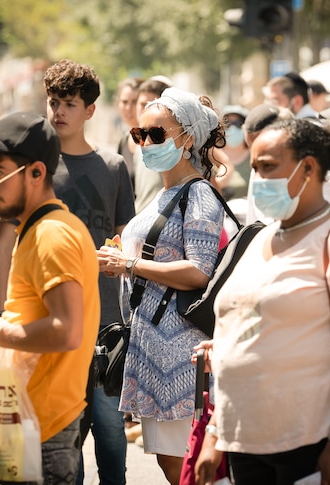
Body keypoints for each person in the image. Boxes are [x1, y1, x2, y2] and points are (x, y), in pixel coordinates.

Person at [194, 118, 330, 484]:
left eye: (269, 167)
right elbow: (237, 332)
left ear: (308, 168)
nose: (258, 179)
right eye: (255, 168)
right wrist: (215, 435)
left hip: (312, 443)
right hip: (247, 443)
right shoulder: (262, 238)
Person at [0, 59, 134, 485]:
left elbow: (124, 239)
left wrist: (118, 262)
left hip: (105, 328)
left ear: (89, 110)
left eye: (69, 104)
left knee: (111, 440)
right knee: (59, 439)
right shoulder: (34, 170)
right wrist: (1, 316)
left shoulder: (112, 167)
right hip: (46, 326)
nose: (59, 112)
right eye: (53, 102)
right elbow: (4, 244)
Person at [0, 112, 101, 485]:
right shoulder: (43, 228)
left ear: (36, 173)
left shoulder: (51, 235)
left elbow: (66, 331)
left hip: (43, 431)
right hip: (32, 424)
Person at [96, 87, 226, 485]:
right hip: (154, 348)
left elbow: (200, 270)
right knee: (171, 462)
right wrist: (125, 261)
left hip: (179, 352)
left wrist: (131, 264)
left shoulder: (199, 194)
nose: (146, 142)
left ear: (187, 138)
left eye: (157, 134)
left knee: (182, 464)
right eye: (140, 134)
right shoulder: (167, 192)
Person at [132, 77, 173, 212]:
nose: (145, 109)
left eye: (150, 105)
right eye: (142, 104)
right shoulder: (138, 143)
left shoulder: (169, 146)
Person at [216, 104, 250, 200]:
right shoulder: (212, 157)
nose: (233, 128)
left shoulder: (255, 157)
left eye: (238, 123)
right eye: (227, 123)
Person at [115, 77, 143, 186]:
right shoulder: (124, 141)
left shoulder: (154, 140)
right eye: (124, 102)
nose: (128, 108)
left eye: (134, 102)